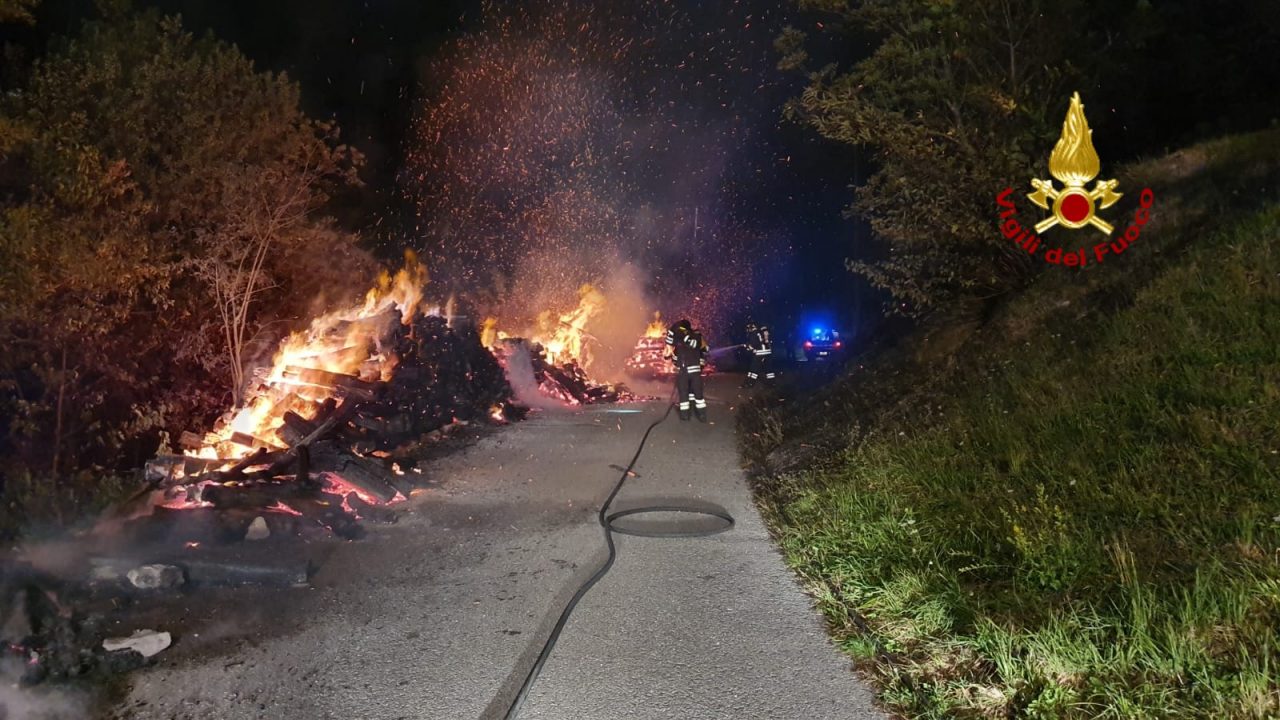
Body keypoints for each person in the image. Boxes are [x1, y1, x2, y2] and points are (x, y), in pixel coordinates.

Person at [664, 318, 708, 422]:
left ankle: (685, 416)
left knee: (684, 394)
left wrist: (671, 357)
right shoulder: (697, 337)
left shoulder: (679, 342)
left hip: (683, 372)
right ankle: (702, 416)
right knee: (698, 395)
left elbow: (674, 359)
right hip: (695, 372)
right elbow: (704, 349)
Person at [742, 319, 775, 388]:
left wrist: (747, 346)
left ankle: (750, 383)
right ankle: (771, 383)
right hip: (768, 352)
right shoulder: (761, 332)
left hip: (760, 353)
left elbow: (753, 344)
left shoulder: (754, 333)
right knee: (769, 369)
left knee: (753, 368)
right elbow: (764, 341)